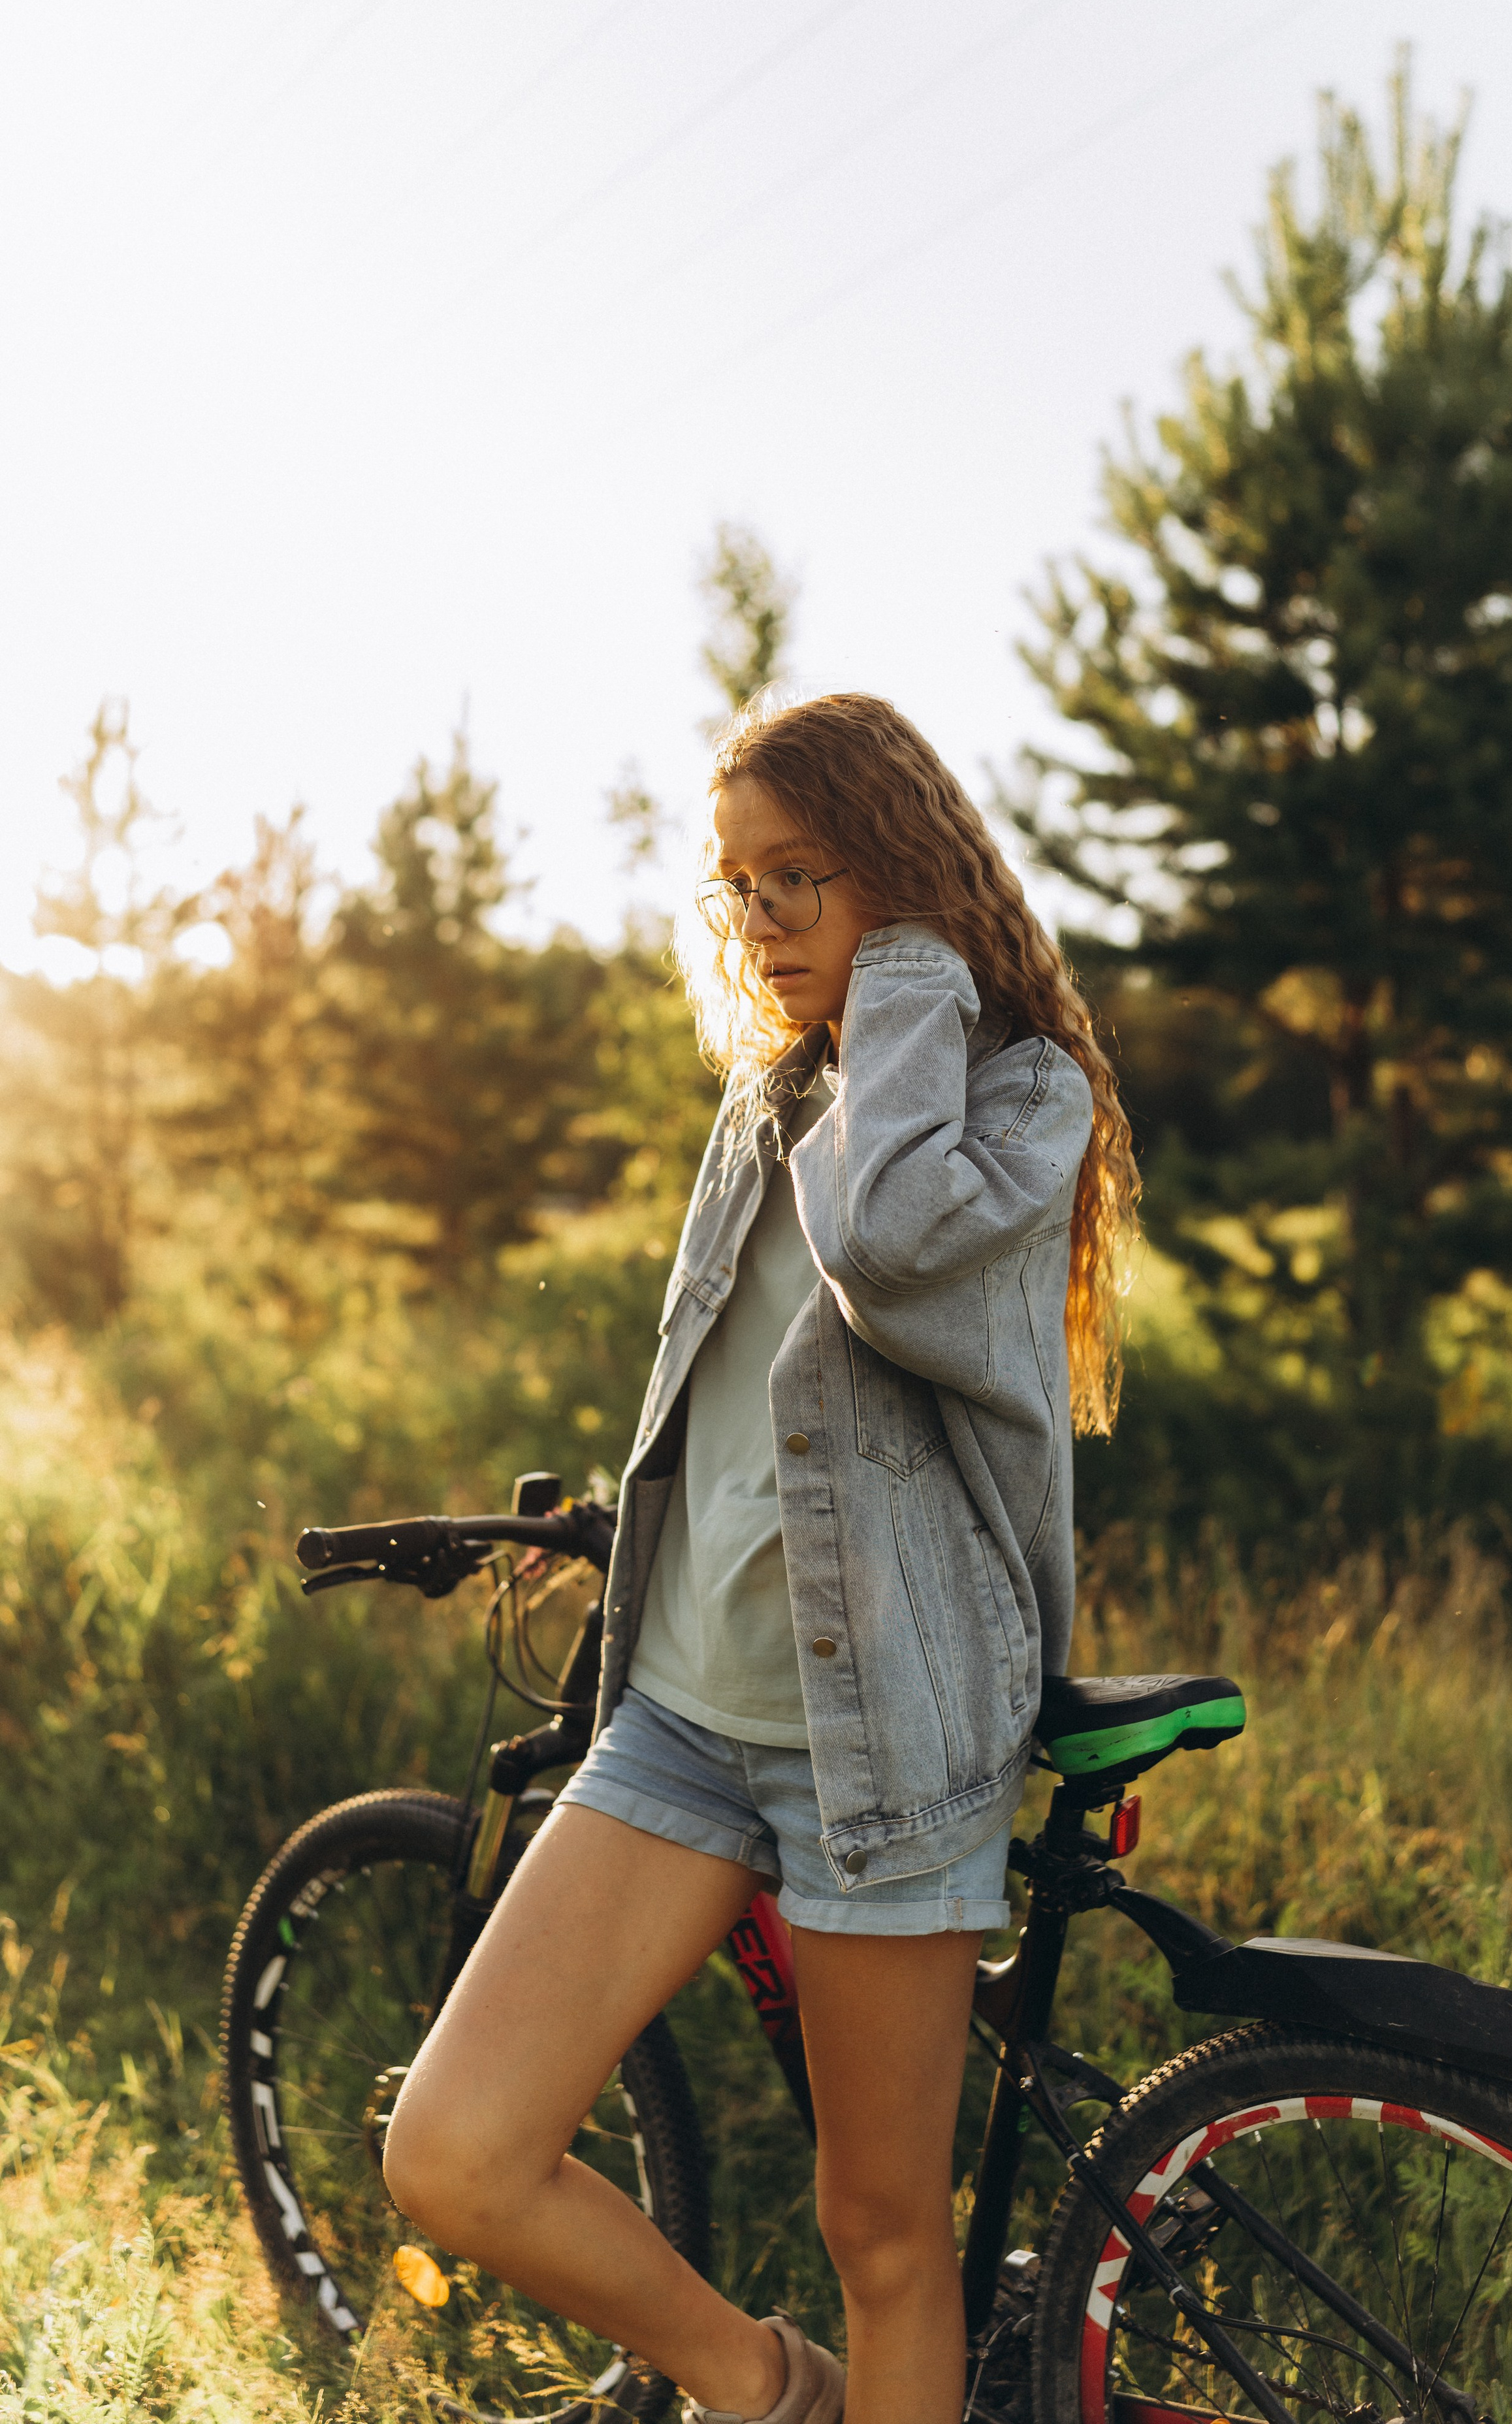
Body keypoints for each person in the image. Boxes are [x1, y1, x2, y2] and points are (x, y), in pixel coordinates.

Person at [382, 693, 1138, 2424]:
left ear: (910, 868)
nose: (767, 923)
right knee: (456, 2148)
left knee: (883, 2232)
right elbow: (721, 1393)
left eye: (803, 875)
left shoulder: (1022, 1106)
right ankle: (764, 2389)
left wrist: (919, 978)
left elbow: (880, 1247)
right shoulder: (767, 1100)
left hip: (886, 1748)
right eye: (739, 886)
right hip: (682, 1727)